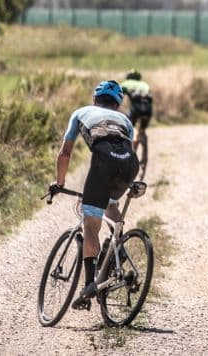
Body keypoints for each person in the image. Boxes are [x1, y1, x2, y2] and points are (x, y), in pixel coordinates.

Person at [54, 80, 140, 309]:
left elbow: (65, 153)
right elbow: (129, 149)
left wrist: (59, 183)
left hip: (103, 161)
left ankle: (89, 285)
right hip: (130, 165)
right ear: (118, 103)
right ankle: (118, 249)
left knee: (91, 225)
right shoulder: (125, 121)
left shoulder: (81, 113)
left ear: (95, 99)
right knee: (110, 203)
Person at [120, 69, 153, 163]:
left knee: (130, 128)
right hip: (148, 110)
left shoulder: (125, 83)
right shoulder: (145, 84)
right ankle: (143, 156)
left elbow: (117, 98)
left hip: (136, 109)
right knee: (141, 131)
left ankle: (130, 154)